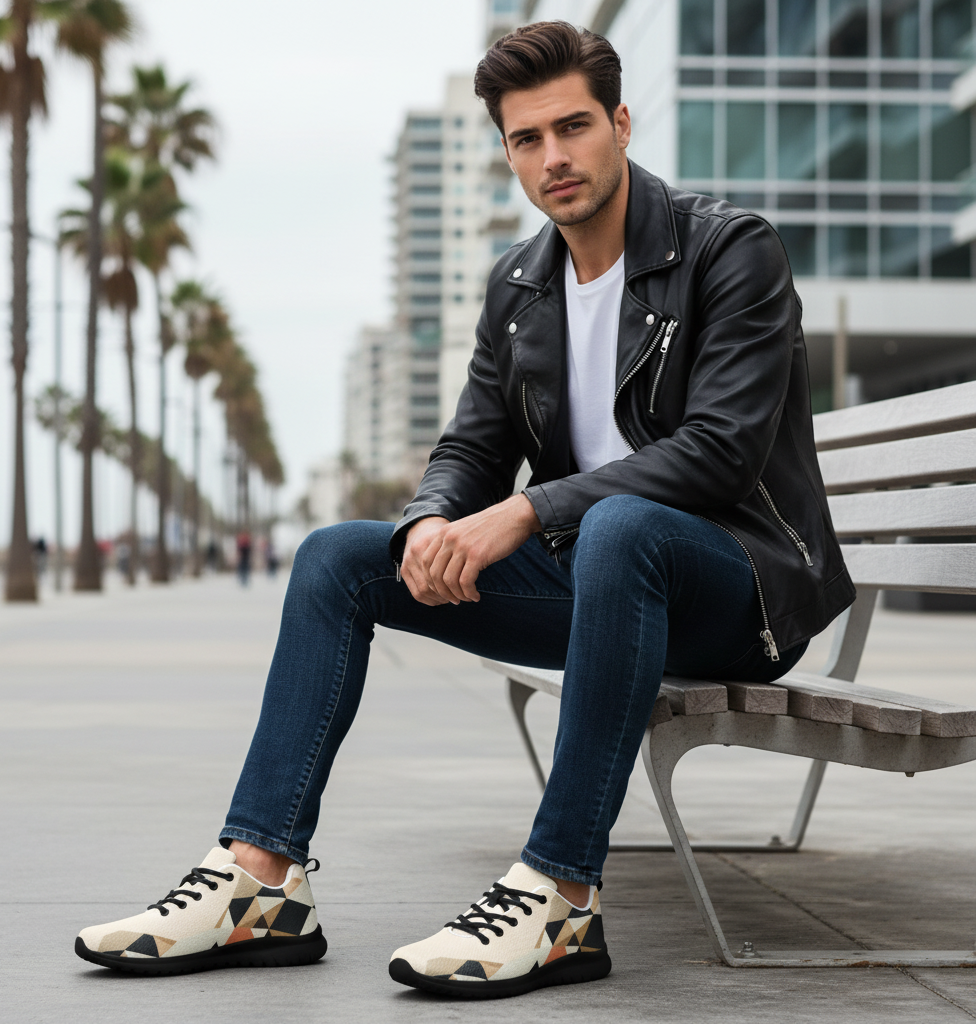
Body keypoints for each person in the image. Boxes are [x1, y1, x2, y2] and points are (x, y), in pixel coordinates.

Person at [75, 22, 854, 997]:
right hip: (601, 579)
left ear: (620, 123)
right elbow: (472, 446)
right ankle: (260, 880)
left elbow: (720, 451)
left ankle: (562, 896)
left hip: (737, 589)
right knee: (336, 556)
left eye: (573, 127)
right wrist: (431, 524)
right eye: (526, 139)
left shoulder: (728, 250)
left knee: (616, 529)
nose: (553, 157)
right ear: (507, 153)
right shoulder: (521, 284)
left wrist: (526, 515)